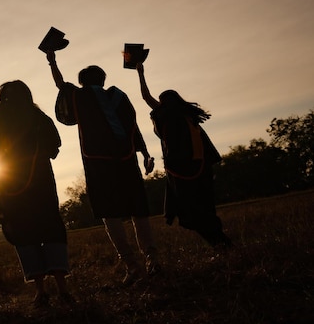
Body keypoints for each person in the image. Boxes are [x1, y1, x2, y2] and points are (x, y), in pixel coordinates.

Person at [0, 64, 73, 308]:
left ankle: (41, 291)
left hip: (10, 184)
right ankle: (63, 289)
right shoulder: (38, 117)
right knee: (50, 228)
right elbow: (54, 147)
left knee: (24, 233)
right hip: (41, 181)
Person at [45, 50, 159, 285]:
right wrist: (145, 153)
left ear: (82, 82)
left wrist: (51, 58)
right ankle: (152, 259)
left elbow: (60, 84)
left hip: (98, 164)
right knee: (138, 209)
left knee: (110, 212)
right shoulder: (119, 96)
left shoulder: (80, 96)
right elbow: (132, 127)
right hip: (127, 161)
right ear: (103, 79)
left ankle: (132, 265)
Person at [136, 63, 231, 247]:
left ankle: (222, 245)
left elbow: (146, 97)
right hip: (201, 171)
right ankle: (222, 244)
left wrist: (140, 73)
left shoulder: (168, 115)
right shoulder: (189, 118)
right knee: (205, 211)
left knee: (190, 213)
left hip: (181, 173)